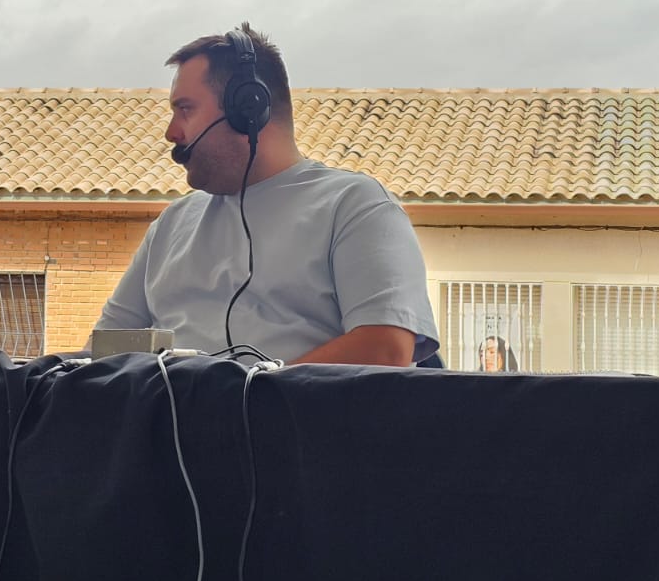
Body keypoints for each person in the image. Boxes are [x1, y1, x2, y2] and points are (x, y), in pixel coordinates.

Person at [97, 23, 439, 366]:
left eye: (185, 110)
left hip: (291, 420)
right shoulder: (171, 224)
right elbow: (104, 354)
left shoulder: (355, 206)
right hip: (166, 418)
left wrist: (236, 403)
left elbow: (385, 349)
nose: (171, 133)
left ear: (248, 108)